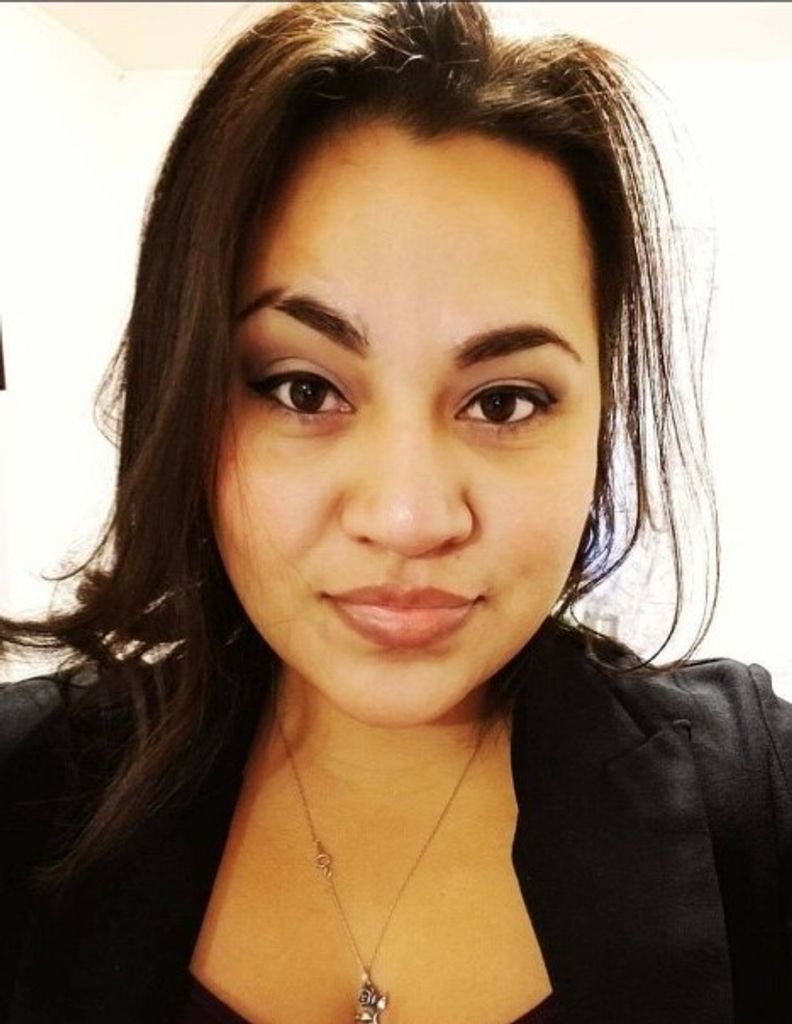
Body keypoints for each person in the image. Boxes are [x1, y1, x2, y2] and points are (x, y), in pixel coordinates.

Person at [1, 2, 790, 1022]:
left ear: (601, 419)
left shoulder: (755, 806)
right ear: (185, 398)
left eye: (504, 402)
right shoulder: (23, 785)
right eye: (303, 389)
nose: (411, 517)